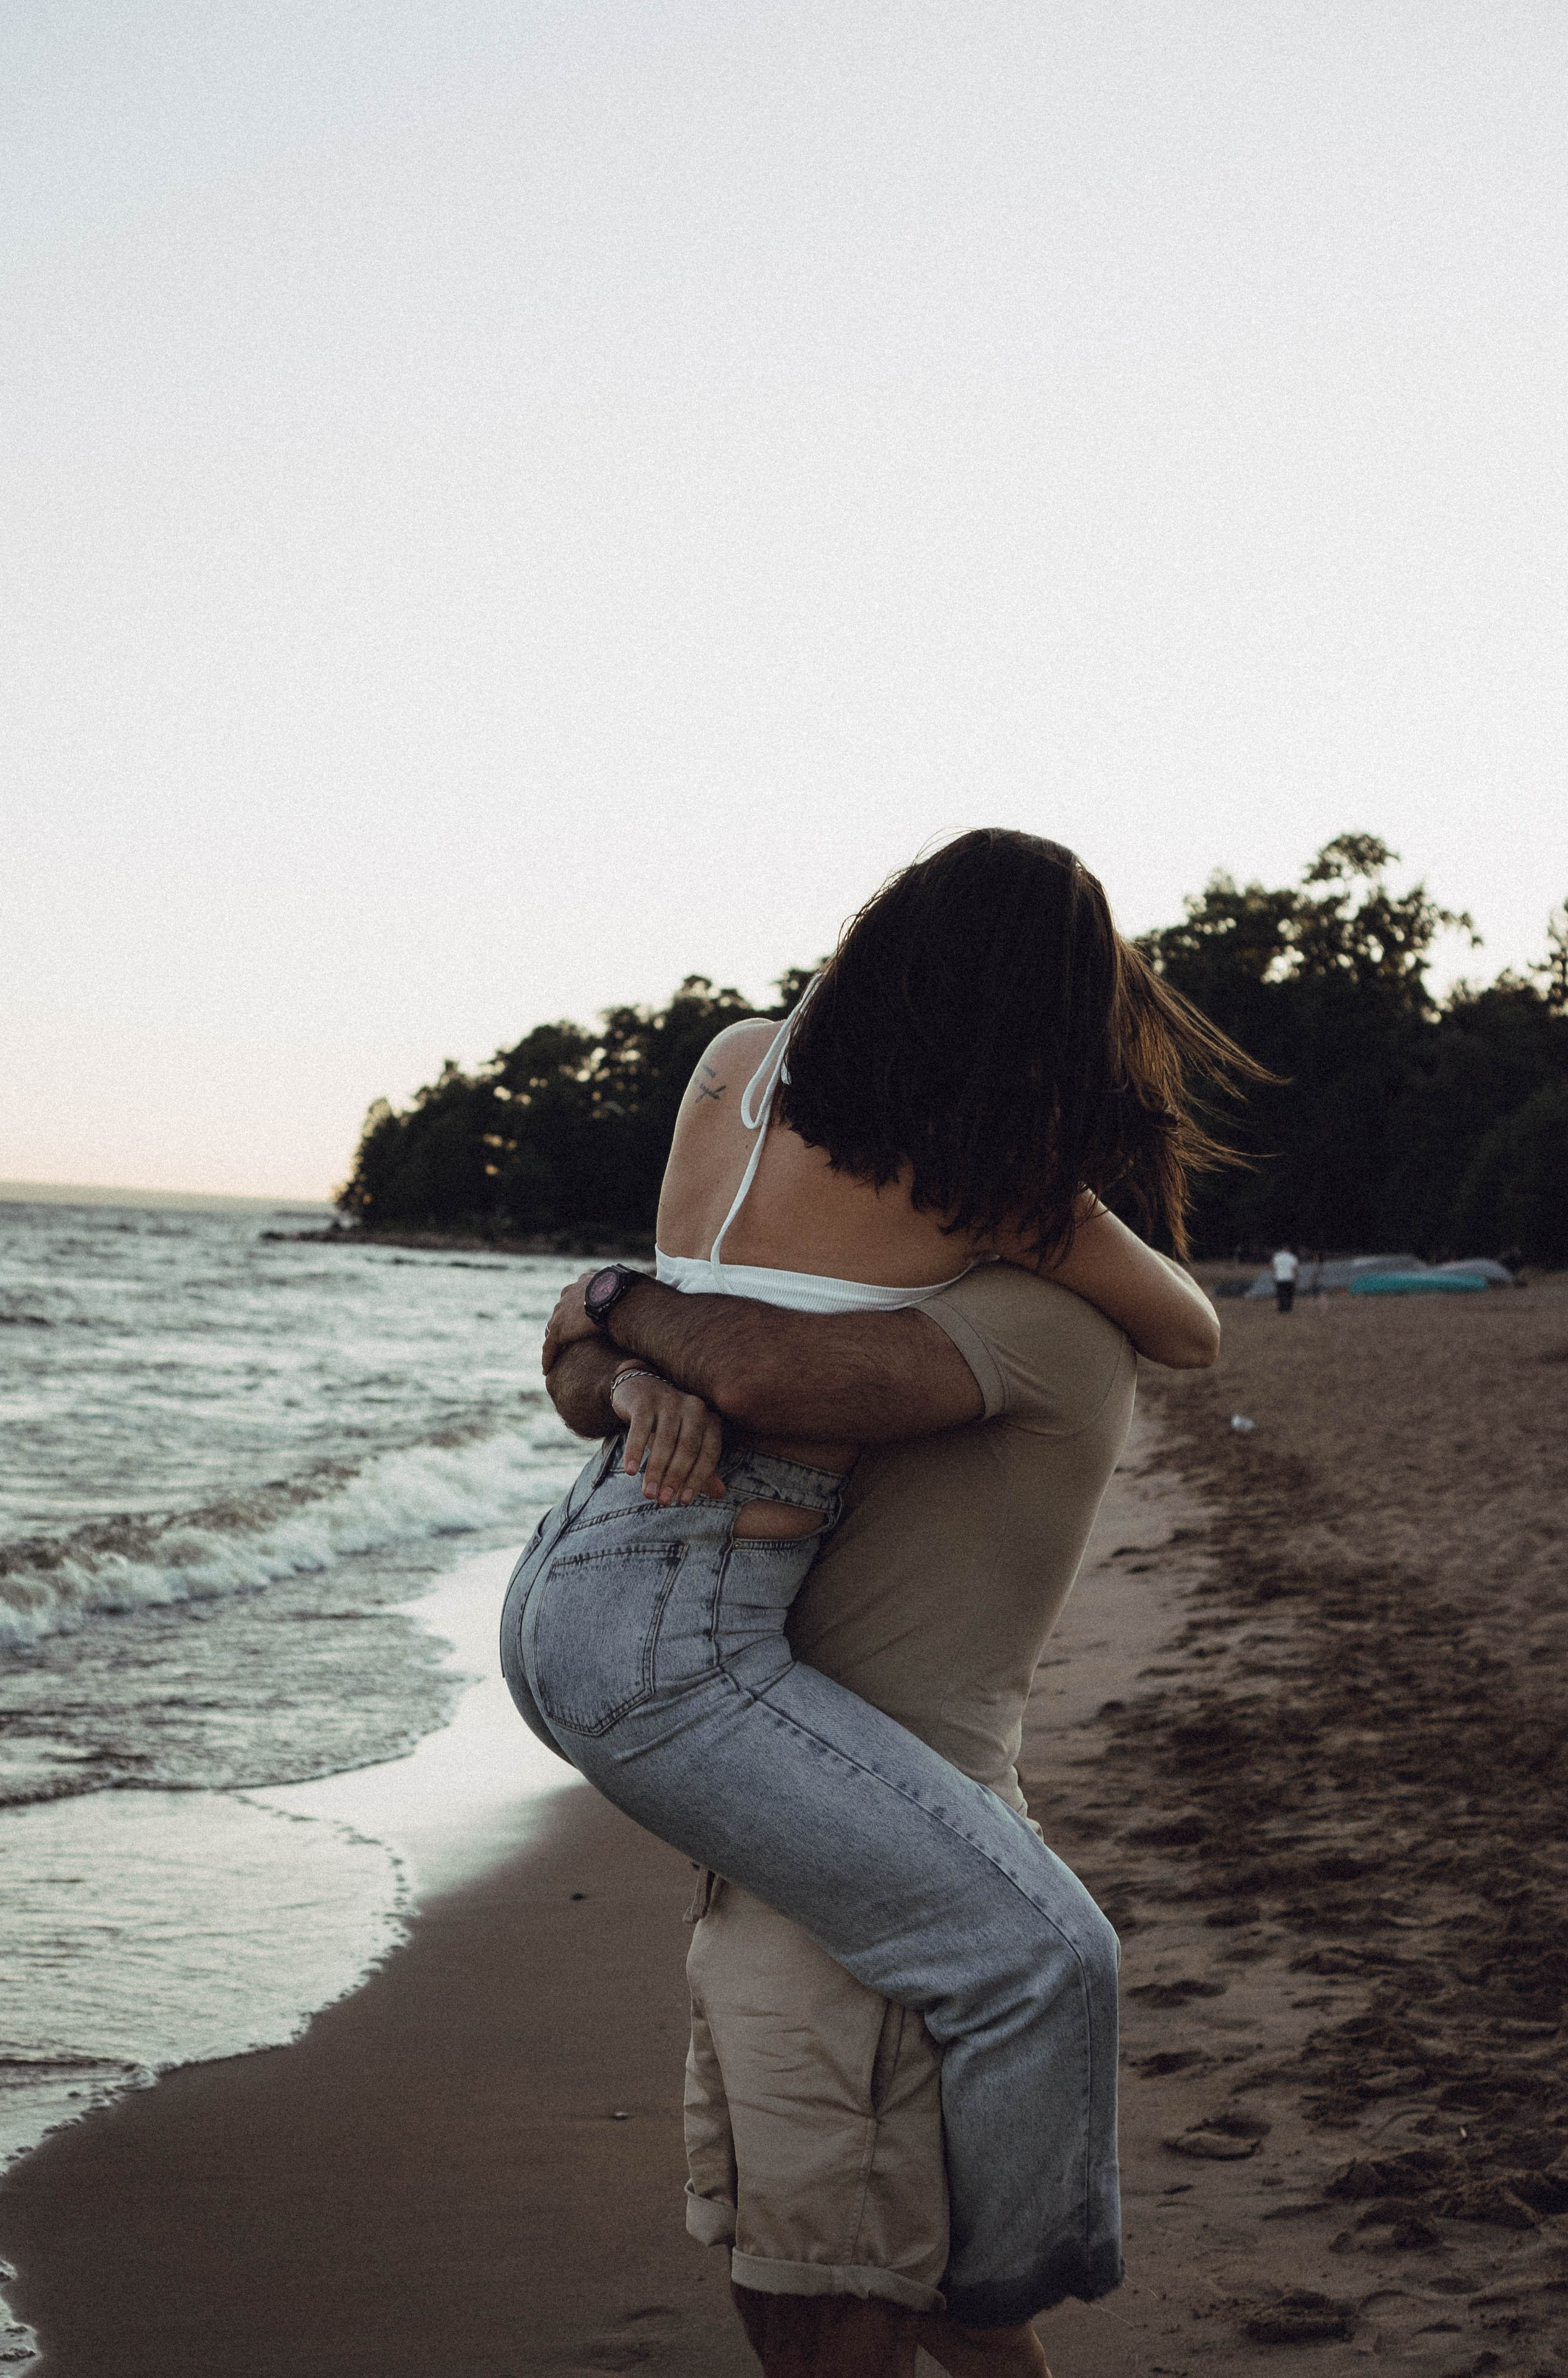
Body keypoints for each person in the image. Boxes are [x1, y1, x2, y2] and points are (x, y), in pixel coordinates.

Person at [502, 832, 1252, 2364]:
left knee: (845, 2237)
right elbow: (1187, 1328)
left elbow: (671, 1345)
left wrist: (612, 1320)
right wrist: (631, 1351)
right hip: (681, 1640)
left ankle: (989, 2296)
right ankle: (1011, 2276)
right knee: (1043, 1973)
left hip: (587, 1573)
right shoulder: (992, 1198)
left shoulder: (731, 1064)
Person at [542, 1255, 1140, 2378]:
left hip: (884, 1893)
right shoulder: (843, 1300)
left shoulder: (1026, 1322)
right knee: (804, 2282)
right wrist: (631, 1381)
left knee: (836, 2310)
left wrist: (614, 1300)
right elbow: (570, 1365)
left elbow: (747, 1372)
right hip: (783, 1832)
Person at [1271, 1243, 1299, 1312]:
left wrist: (1275, 1276)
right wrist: (1296, 1279)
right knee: (1289, 1294)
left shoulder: (1277, 1257)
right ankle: (1288, 1308)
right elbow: (1295, 1269)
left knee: (1281, 1294)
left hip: (1280, 1278)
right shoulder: (1293, 1257)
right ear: (1289, 1249)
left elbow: (1274, 1268)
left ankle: (1281, 1308)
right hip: (1290, 1278)